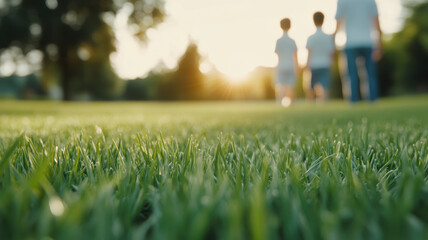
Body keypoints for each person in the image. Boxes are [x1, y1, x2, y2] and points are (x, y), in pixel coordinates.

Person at [335, 0, 382, 102]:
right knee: (370, 74)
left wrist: (333, 41)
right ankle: (372, 100)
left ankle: (353, 101)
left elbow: (338, 22)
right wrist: (380, 43)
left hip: (350, 42)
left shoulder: (342, 1)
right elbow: (376, 21)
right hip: (368, 41)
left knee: (351, 75)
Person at [305, 12, 335, 102]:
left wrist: (307, 65)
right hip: (325, 64)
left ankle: (311, 104)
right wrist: (331, 63)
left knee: (311, 86)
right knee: (325, 86)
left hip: (314, 64)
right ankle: (323, 103)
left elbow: (309, 53)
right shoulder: (328, 37)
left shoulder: (311, 37)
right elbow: (332, 53)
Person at [274, 18, 298, 106]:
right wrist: (297, 68)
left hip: (281, 65)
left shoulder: (278, 41)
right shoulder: (292, 41)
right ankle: (292, 104)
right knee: (291, 86)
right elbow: (295, 56)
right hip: (291, 65)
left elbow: (278, 54)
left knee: (281, 86)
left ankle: (279, 104)